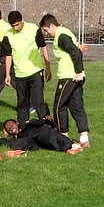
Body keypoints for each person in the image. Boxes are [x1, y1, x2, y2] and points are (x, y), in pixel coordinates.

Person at [39, 14, 90, 148]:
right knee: (76, 106)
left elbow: (76, 53)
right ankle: (84, 139)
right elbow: (77, 50)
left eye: (46, 30)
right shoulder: (66, 32)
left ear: (52, 25)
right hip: (74, 76)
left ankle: (63, 138)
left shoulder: (61, 35)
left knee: (58, 106)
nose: (46, 33)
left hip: (69, 76)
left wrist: (79, 72)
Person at [1, 10, 52, 127]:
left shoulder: (34, 29)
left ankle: (47, 125)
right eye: (13, 26)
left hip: (35, 71)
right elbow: (8, 56)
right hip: (20, 74)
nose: (15, 28)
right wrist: (7, 74)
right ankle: (23, 128)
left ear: (22, 20)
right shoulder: (7, 35)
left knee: (38, 101)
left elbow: (43, 47)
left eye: (17, 25)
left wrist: (48, 67)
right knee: (22, 103)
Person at [0, 119, 84, 154]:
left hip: (38, 133)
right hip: (31, 141)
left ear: (16, 123)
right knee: (14, 144)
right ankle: (69, 148)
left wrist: (49, 122)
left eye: (11, 125)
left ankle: (72, 146)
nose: (11, 128)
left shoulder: (27, 125)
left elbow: (40, 122)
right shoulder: (17, 138)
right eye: (8, 129)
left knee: (46, 133)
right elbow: (4, 143)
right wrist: (4, 136)